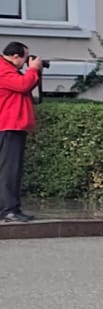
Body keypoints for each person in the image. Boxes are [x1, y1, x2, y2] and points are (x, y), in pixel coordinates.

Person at [0, 41, 44, 223]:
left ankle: (7, 207)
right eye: (25, 57)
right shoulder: (3, 70)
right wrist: (33, 69)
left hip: (10, 126)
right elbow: (23, 85)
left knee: (8, 169)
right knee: (10, 170)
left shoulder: (8, 69)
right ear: (16, 56)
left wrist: (34, 72)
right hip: (9, 126)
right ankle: (9, 210)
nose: (27, 61)